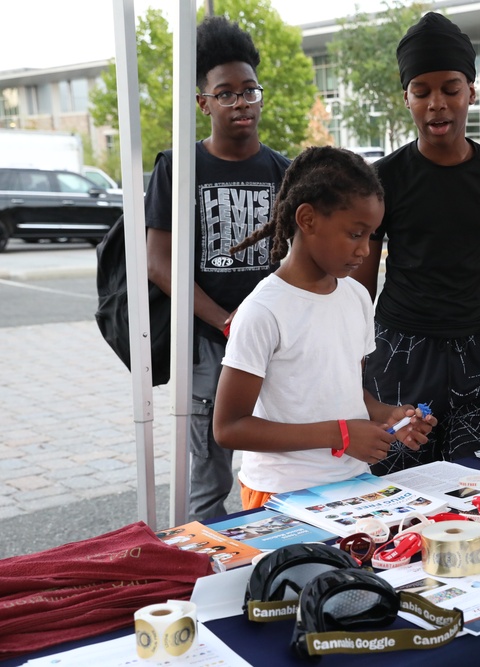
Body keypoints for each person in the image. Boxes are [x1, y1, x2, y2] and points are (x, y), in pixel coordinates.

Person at [355, 12, 480, 475]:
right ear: (406, 98)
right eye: (421, 91)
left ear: (472, 93)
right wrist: (353, 379)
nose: (436, 103)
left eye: (450, 89)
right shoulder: (382, 179)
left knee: (478, 487)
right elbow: (360, 292)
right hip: (399, 355)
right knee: (398, 492)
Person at [212, 147, 436, 509]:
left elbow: (349, 393)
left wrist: (387, 416)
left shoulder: (357, 296)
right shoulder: (263, 311)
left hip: (354, 481)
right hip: (281, 492)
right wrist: (341, 435)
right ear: (308, 219)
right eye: (355, 234)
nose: (365, 250)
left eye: (373, 235)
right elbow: (229, 427)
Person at [145, 17, 291, 521]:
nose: (241, 103)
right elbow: (158, 261)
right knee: (209, 485)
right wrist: (227, 321)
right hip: (209, 349)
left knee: (283, 470)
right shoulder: (180, 167)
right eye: (225, 94)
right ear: (203, 103)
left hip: (276, 347)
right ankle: (201, 584)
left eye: (250, 90)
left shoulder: (284, 170)